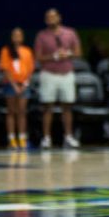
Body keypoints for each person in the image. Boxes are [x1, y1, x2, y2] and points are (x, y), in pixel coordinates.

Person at [34, 8, 82, 149]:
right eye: (48, 17)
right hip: (49, 74)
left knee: (67, 106)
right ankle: (46, 138)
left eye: (53, 16)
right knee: (47, 107)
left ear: (59, 18)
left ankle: (68, 137)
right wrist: (53, 56)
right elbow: (38, 57)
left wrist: (68, 54)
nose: (51, 19)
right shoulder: (41, 36)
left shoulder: (70, 33)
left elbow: (78, 52)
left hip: (66, 74)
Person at [0, 28, 34, 150]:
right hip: (10, 85)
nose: (17, 37)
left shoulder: (27, 51)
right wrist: (14, 85)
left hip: (24, 85)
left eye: (19, 35)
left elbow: (30, 69)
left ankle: (22, 138)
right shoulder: (6, 50)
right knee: (11, 112)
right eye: (14, 34)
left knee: (22, 112)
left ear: (23, 37)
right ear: (11, 37)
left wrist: (25, 84)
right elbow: (5, 69)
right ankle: (11, 139)